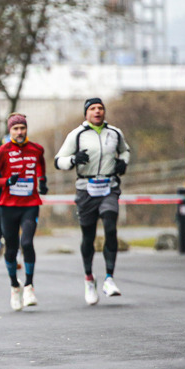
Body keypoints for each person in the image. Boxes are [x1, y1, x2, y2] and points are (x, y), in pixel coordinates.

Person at [54, 97, 131, 304]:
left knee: (110, 225)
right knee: (88, 237)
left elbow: (125, 150)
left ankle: (109, 278)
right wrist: (73, 160)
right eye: (93, 108)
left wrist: (123, 163)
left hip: (109, 188)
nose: (97, 111)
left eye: (100, 108)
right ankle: (89, 278)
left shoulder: (114, 133)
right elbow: (58, 160)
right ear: (86, 113)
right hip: (86, 190)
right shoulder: (77, 135)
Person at [0, 113, 48, 311]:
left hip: (30, 204)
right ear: (10, 131)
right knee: (11, 249)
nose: (19, 132)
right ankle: (14, 285)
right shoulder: (3, 151)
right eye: (15, 129)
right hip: (8, 206)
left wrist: (43, 182)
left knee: (27, 243)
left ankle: (29, 286)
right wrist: (5, 182)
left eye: (22, 128)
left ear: (26, 129)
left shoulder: (37, 149)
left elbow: (41, 168)